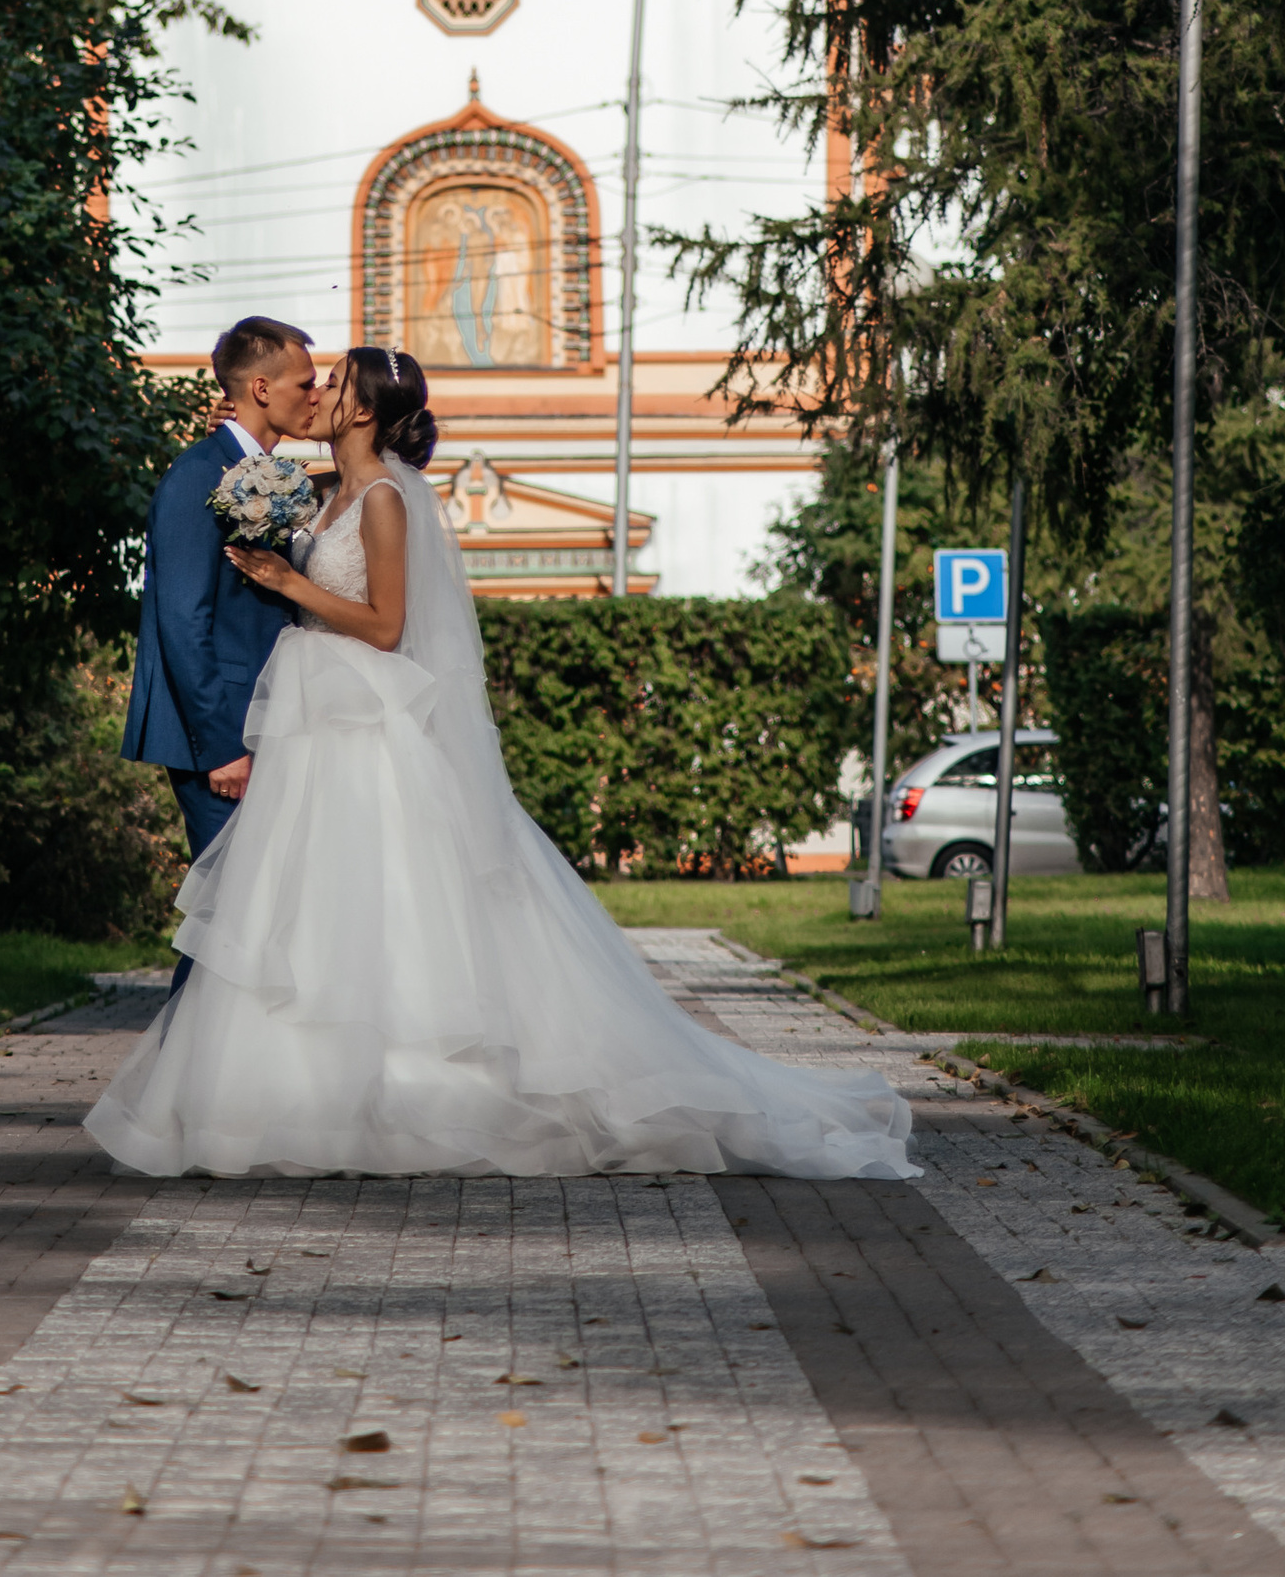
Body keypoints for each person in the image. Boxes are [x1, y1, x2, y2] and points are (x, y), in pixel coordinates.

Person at [86, 346, 916, 1181]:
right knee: (313, 904)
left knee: (388, 904)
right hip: (314, 726)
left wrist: (289, 584)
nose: (322, 392)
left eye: (336, 384)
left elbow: (385, 625)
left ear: (365, 410)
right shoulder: (326, 494)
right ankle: (290, 1097)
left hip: (364, 719)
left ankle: (408, 1090)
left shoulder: (382, 498)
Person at [119, 316, 323, 939]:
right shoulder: (197, 478)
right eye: (305, 383)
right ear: (261, 389)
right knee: (232, 921)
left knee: (251, 917)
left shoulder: (259, 471)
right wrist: (222, 747)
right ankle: (188, 1038)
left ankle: (204, 1038)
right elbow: (181, 621)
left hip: (262, 721)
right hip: (223, 736)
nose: (316, 395)